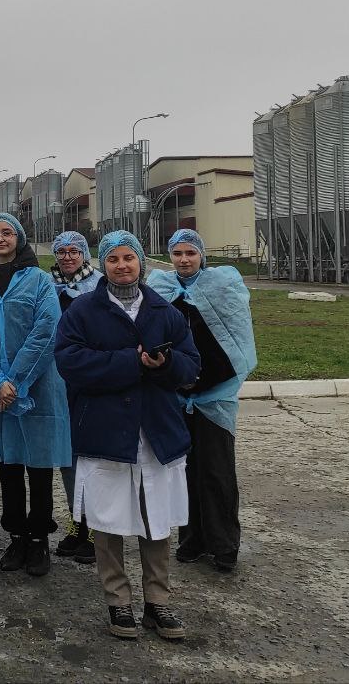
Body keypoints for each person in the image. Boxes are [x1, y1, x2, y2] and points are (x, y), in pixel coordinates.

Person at [54, 230, 201, 641]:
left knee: (156, 518)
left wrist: (164, 364)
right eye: (113, 259)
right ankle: (118, 600)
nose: (122, 266)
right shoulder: (83, 311)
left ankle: (158, 601)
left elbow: (191, 366)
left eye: (129, 258)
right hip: (105, 430)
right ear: (103, 264)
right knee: (108, 520)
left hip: (156, 429)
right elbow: (70, 361)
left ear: (141, 262)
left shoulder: (165, 311)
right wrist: (131, 362)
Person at [147, 229, 256, 573]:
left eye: (190, 253)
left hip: (215, 395)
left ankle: (224, 544)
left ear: (201, 255)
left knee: (217, 470)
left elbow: (237, 336)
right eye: (177, 253)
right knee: (184, 472)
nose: (184, 260)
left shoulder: (223, 286)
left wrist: (214, 379)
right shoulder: (161, 289)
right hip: (178, 395)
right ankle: (191, 539)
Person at [0, 213, 70, 578]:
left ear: (19, 238)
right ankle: (16, 535)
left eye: (7, 232)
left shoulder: (40, 280)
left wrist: (16, 381)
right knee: (8, 465)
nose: (0, 239)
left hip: (37, 385)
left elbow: (47, 330)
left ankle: (39, 537)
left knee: (39, 466)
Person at [49, 230, 102, 565]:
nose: (67, 257)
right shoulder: (48, 286)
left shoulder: (99, 286)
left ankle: (97, 528)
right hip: (58, 382)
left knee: (93, 457)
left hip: (90, 381)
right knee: (67, 459)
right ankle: (77, 522)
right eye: (62, 252)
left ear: (84, 254)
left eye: (74, 251)